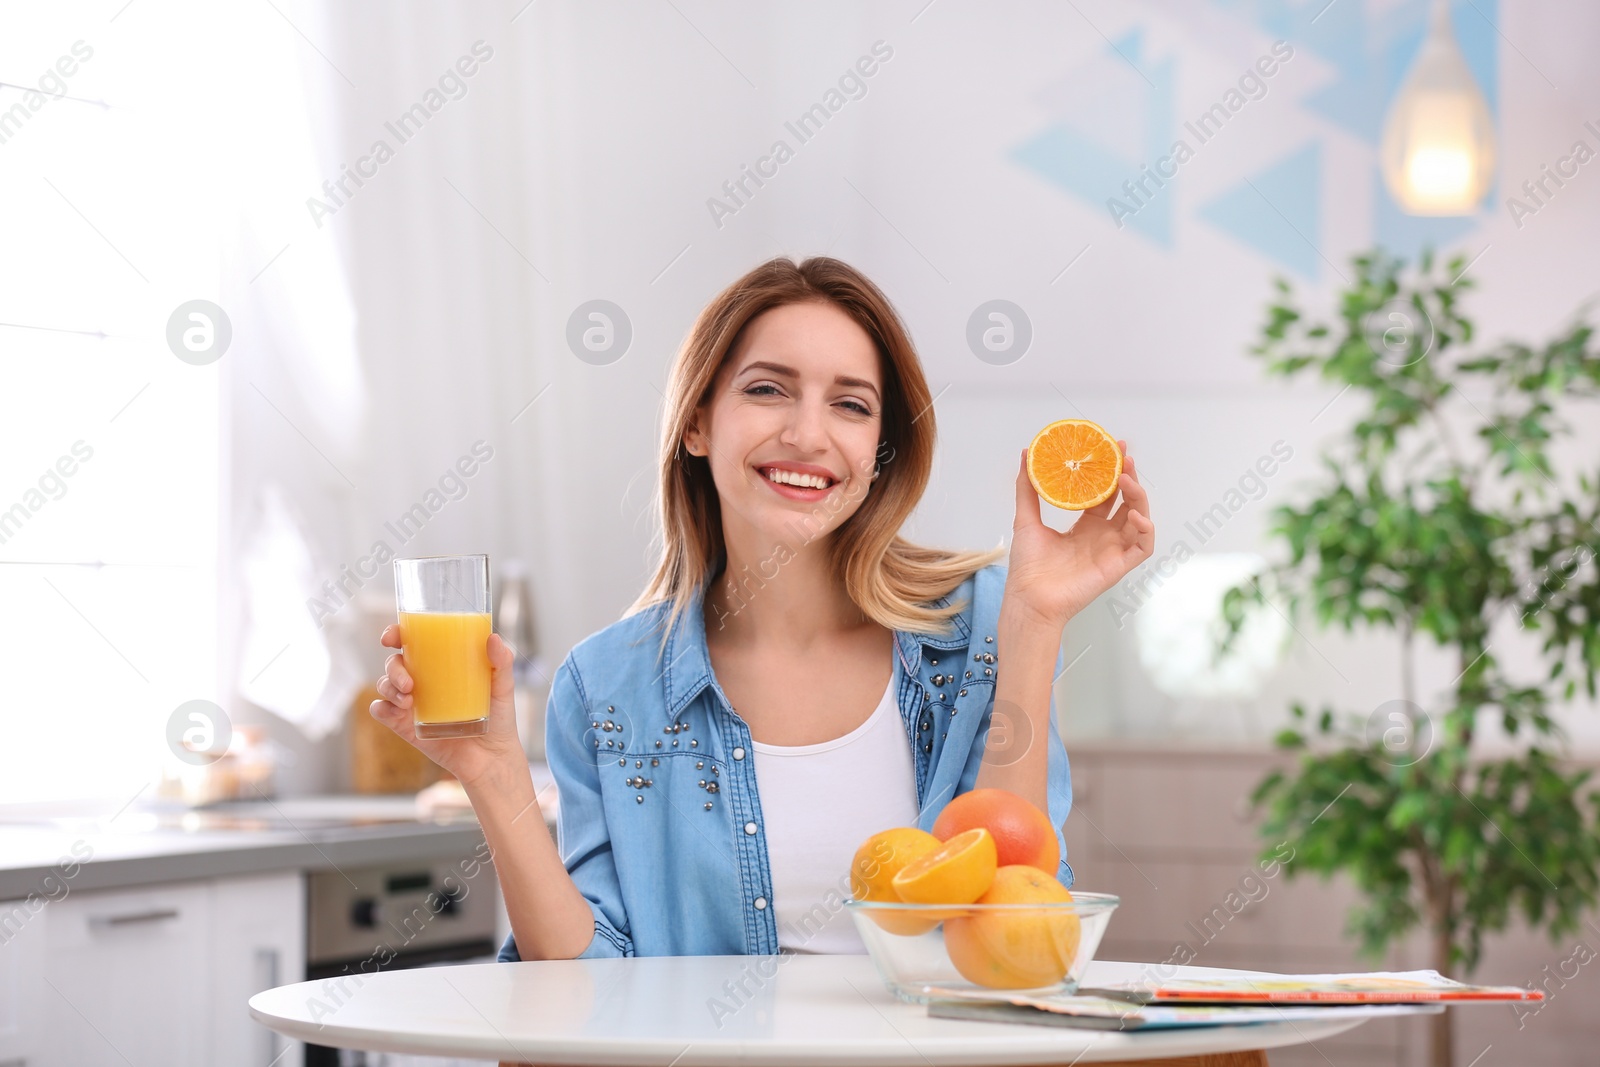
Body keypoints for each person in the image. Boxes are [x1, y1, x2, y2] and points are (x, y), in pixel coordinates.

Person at [369, 256, 1153, 961]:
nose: (808, 433)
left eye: (851, 405)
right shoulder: (607, 685)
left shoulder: (977, 627)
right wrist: (493, 772)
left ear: (880, 454)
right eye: (768, 388)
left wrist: (1034, 625)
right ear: (700, 422)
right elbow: (591, 982)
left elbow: (1016, 919)